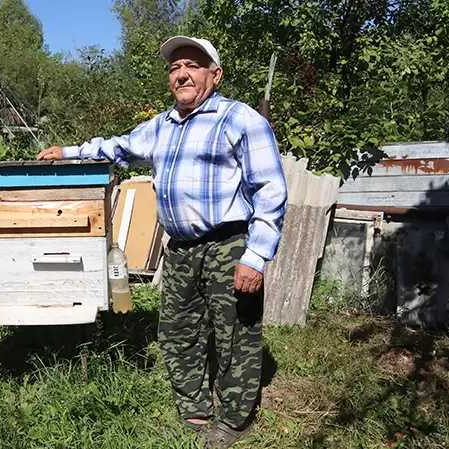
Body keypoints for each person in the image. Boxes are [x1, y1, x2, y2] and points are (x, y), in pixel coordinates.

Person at [36, 36, 288, 448]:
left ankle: (234, 418)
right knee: (177, 331)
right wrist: (68, 151)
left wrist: (256, 255)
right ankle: (194, 406)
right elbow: (117, 148)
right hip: (181, 247)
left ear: (215, 74)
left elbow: (271, 191)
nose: (182, 74)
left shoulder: (240, 120)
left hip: (228, 244)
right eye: (175, 68)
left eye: (192, 65)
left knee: (234, 334)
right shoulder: (161, 126)